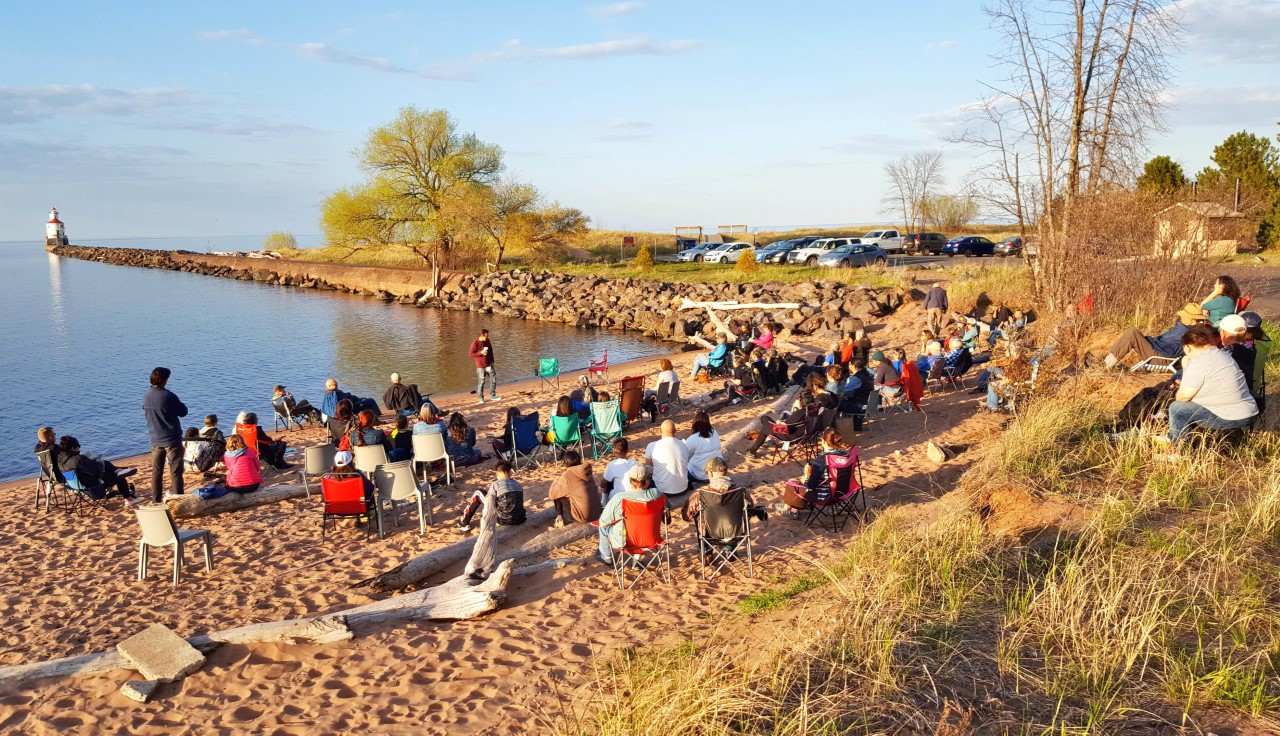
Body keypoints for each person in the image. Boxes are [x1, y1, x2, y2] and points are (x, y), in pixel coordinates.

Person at [1162, 324, 1258, 449]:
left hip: (1230, 416)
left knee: (1177, 409)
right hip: (1248, 412)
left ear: (1187, 346)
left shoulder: (1199, 362)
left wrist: (1185, 368)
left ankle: (1178, 449)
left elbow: (1183, 397)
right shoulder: (1221, 354)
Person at [595, 463, 663, 565]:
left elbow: (603, 522)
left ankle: (607, 557)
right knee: (642, 524)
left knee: (603, 527)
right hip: (651, 540)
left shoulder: (620, 498)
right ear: (647, 481)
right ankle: (637, 560)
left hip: (625, 542)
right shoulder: (657, 494)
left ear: (631, 481)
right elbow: (666, 512)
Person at [1102, 302, 1204, 369]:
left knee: (1132, 333)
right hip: (1160, 353)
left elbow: (1170, 350)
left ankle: (1105, 365)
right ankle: (1106, 361)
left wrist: (1151, 342)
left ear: (1192, 319)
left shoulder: (1187, 332)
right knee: (1133, 333)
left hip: (1161, 358)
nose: (1181, 317)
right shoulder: (1191, 329)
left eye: (1184, 315)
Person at [778, 428, 848, 519]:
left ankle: (792, 510)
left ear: (823, 441)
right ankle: (834, 508)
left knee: (793, 484)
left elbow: (811, 485)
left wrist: (804, 480)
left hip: (826, 496)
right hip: (843, 492)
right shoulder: (846, 455)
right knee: (807, 483)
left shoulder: (821, 460)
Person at [143, 366, 188, 502]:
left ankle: (156, 499)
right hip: (171, 439)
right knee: (175, 472)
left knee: (157, 472)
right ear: (164, 380)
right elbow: (183, 412)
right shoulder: (168, 396)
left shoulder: (146, 396)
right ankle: (178, 499)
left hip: (155, 438)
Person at [684, 456, 767, 523]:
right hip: (736, 533)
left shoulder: (701, 493)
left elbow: (686, 516)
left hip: (709, 535)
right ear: (726, 472)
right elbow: (749, 508)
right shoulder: (741, 491)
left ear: (711, 473)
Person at [57, 435, 136, 499]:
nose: (79, 448)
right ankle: (128, 498)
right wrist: (97, 462)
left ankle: (118, 470)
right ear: (72, 448)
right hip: (93, 487)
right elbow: (96, 471)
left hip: (76, 487)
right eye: (78, 446)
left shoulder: (60, 460)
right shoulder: (77, 459)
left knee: (107, 467)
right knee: (118, 476)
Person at [455, 460, 526, 531]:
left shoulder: (496, 484)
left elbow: (490, 501)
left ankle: (463, 523)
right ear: (510, 472)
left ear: (497, 473)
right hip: (520, 518)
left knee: (478, 493)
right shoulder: (517, 484)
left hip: (503, 520)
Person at [644, 419, 691, 510]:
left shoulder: (652, 446)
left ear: (660, 431)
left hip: (662, 490)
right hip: (683, 489)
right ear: (675, 431)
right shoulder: (683, 444)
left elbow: (648, 467)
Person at [548, 449, 601, 525]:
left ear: (566, 462)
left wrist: (556, 480)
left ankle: (560, 518)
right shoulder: (586, 471)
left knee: (558, 495)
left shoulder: (568, 475)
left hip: (582, 517)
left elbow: (552, 494)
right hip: (596, 512)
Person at [1219, 314, 1257, 395]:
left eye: (1220, 330)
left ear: (1225, 334)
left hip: (1228, 394)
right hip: (1246, 392)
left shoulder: (1224, 354)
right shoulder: (1250, 348)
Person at [684, 410, 723, 487]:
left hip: (699, 475)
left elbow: (686, 457)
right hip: (716, 473)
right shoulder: (714, 432)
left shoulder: (693, 439)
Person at [598, 438, 637, 505]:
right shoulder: (635, 463)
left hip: (619, 498)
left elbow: (602, 484)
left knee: (607, 479)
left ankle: (604, 503)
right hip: (634, 496)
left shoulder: (613, 464)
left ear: (614, 451)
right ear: (627, 450)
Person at [469, 328, 500, 403]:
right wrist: (481, 353)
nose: (487, 337)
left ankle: (493, 395)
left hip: (489, 365)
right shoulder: (475, 343)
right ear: (482, 335)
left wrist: (492, 361)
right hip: (480, 366)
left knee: (493, 380)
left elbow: (491, 351)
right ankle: (481, 398)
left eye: (488, 335)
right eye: (486, 336)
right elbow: (471, 354)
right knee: (481, 382)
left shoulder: (488, 341)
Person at [866, 351, 902, 415]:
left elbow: (877, 382)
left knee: (873, 387)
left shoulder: (882, 367)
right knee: (878, 386)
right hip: (898, 388)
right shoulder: (886, 364)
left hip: (894, 390)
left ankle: (870, 409)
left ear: (878, 361)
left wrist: (868, 382)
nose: (873, 363)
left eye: (873, 361)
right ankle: (879, 406)